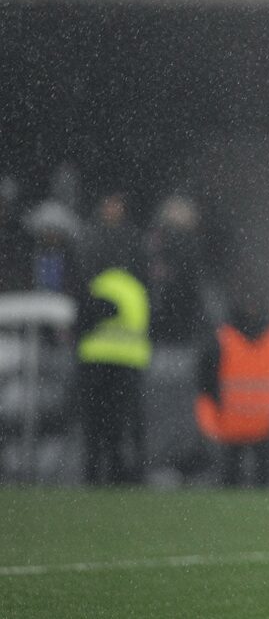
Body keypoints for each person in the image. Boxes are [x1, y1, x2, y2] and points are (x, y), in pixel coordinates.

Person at [74, 192, 151, 486]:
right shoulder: (101, 243)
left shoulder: (114, 244)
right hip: (100, 355)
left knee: (116, 424)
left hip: (122, 356)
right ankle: (99, 474)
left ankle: (112, 474)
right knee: (100, 423)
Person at [195, 288, 269, 488]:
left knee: (231, 475)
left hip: (231, 418)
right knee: (262, 476)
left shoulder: (223, 339)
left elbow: (205, 378)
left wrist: (215, 403)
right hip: (264, 418)